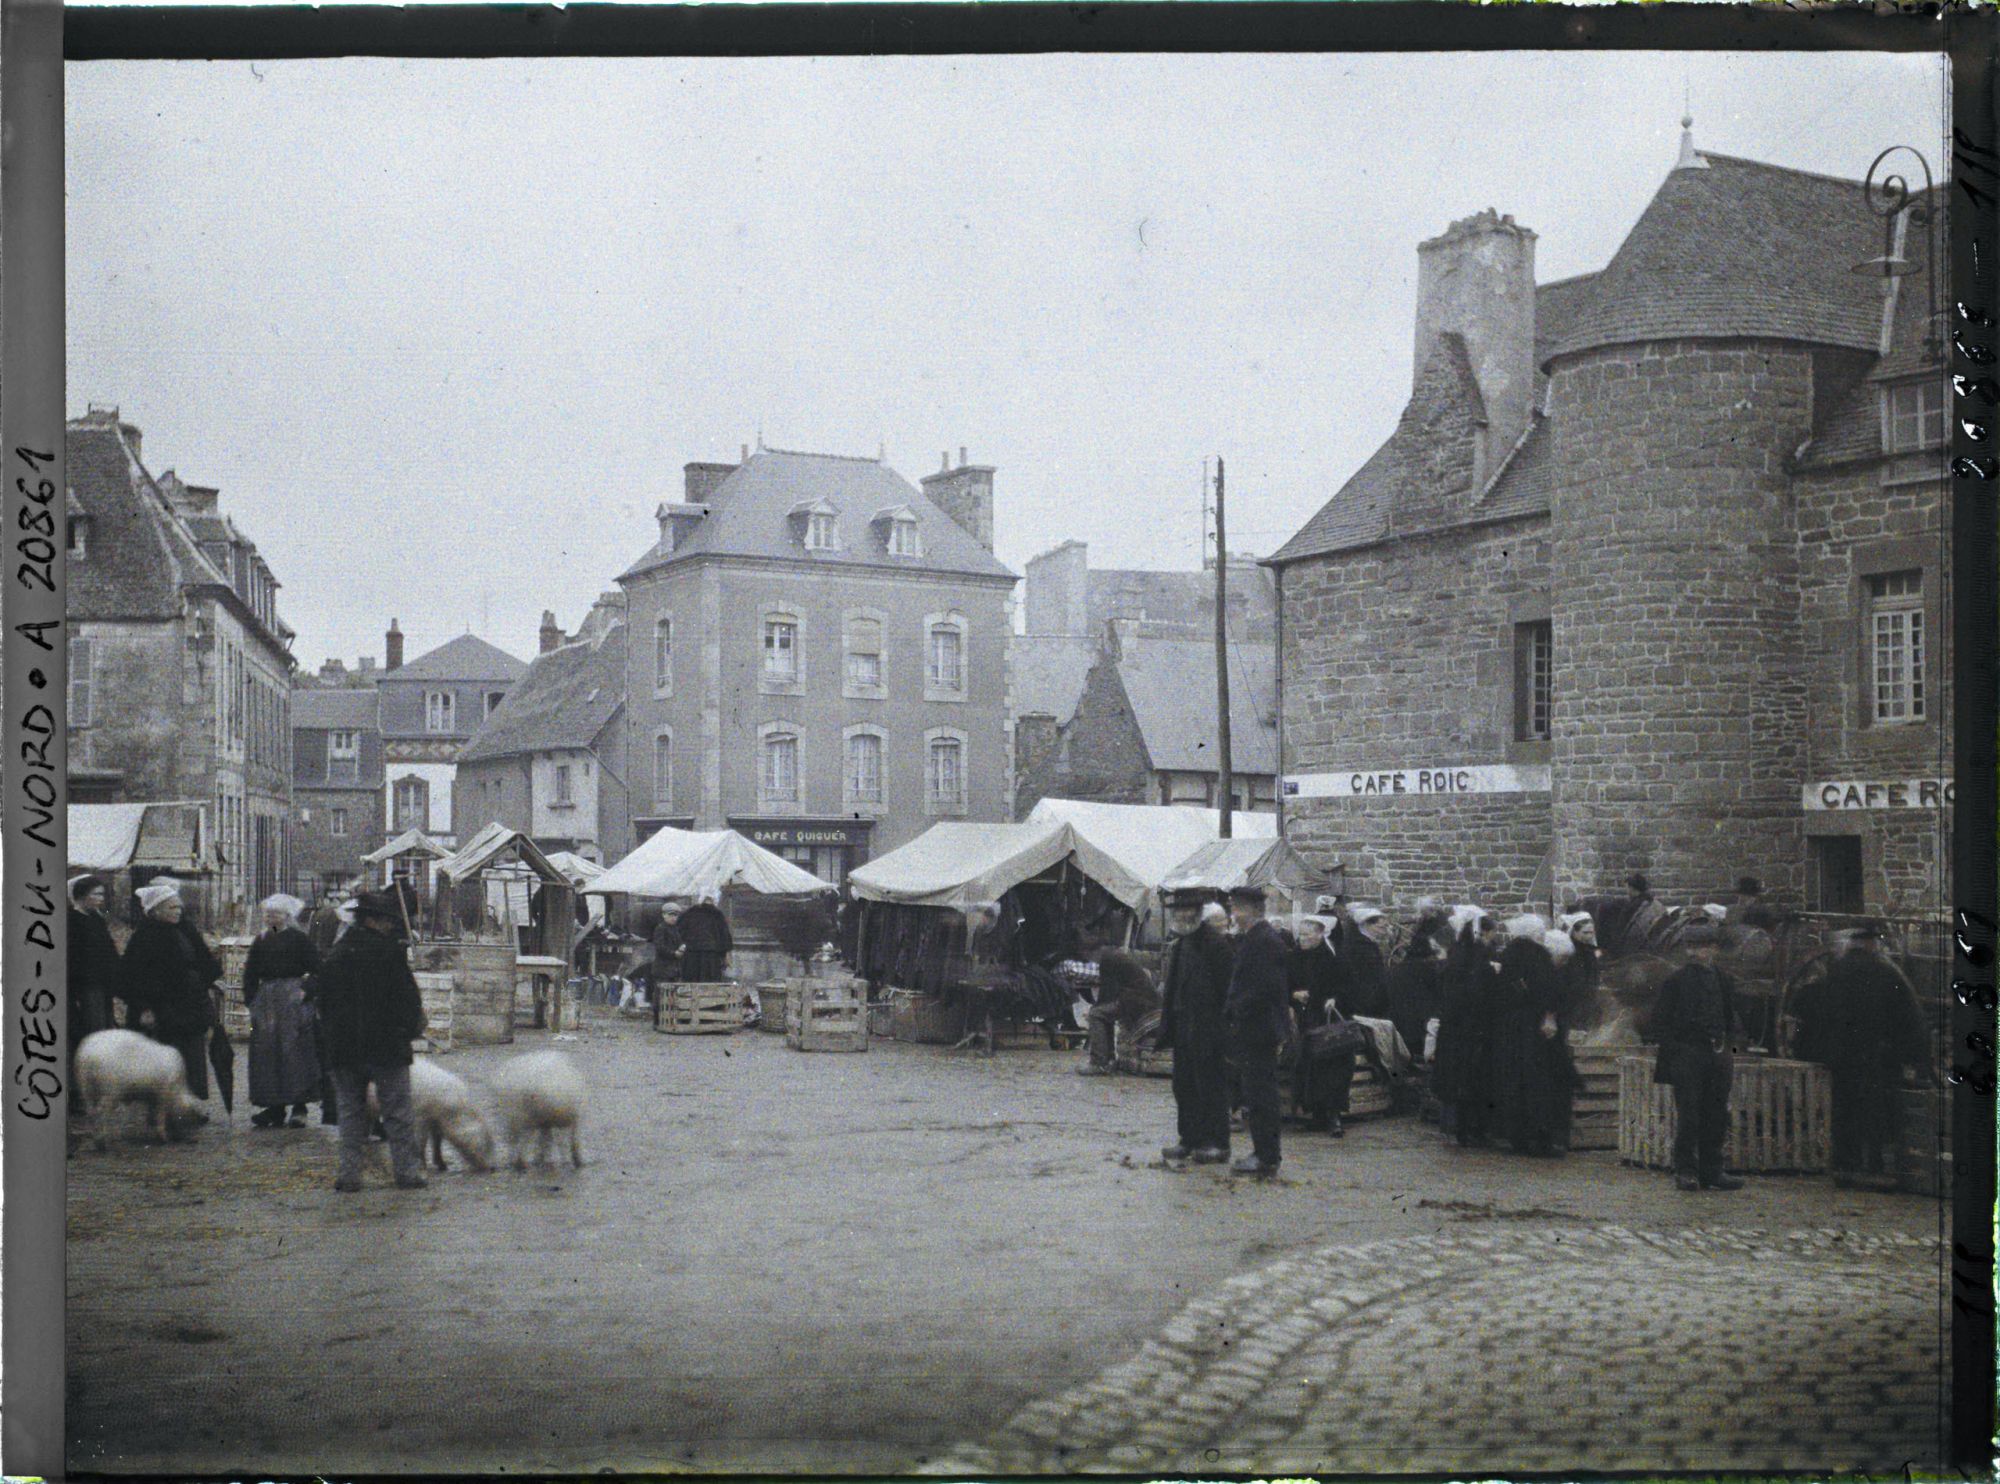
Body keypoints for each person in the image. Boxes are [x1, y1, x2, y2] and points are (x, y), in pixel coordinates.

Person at [1790, 925, 1933, 1188]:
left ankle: (1845, 1166)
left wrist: (1817, 1049)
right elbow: (1911, 1018)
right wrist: (1919, 1059)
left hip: (1843, 1056)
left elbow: (1807, 1008)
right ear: (1873, 944)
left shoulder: (1835, 972)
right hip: (1879, 1055)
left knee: (1844, 1109)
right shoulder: (1888, 972)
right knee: (1876, 1111)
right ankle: (1874, 1167)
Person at [315, 890, 429, 1192]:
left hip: (344, 1047)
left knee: (350, 1114)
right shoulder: (390, 953)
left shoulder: (336, 954)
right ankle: (406, 1173)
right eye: (387, 920)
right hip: (386, 1046)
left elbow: (322, 1001)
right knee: (397, 1113)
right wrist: (408, 1030)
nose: (392, 926)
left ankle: (349, 1175)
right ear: (374, 921)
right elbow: (409, 1001)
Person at [1646, 921, 1746, 1192]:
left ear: (1713, 949)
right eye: (1690, 946)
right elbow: (1658, 1023)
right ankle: (1686, 1170)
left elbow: (1729, 1016)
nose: (1693, 953)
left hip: (1717, 1053)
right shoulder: (1675, 981)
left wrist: (1728, 1045)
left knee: (1716, 1113)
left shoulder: (1723, 979)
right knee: (1689, 1114)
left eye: (1700, 947)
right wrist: (1678, 1050)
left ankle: (1712, 1171)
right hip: (1688, 1055)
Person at [119, 879, 222, 1102]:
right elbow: (133, 976)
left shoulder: (185, 928)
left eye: (178, 906)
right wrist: (144, 1007)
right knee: (166, 1057)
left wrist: (204, 979)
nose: (178, 911)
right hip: (163, 1008)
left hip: (190, 1004)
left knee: (192, 1055)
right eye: (172, 907)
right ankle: (165, 1107)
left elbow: (203, 960)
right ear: (155, 910)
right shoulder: (144, 936)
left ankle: (189, 1103)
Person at [1158, 893, 1235, 1164]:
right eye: (1178, 911)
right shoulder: (1181, 944)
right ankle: (1188, 1139)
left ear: (1198, 913)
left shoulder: (1216, 945)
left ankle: (1217, 1143)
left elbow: (1229, 992)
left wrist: (1223, 1030)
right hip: (1183, 1027)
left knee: (1211, 1086)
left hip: (1208, 1029)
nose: (1182, 916)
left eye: (1188, 911)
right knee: (1184, 1086)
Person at [1488, 931, 1573, 1157]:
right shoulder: (1541, 965)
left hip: (1515, 1034)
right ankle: (1542, 1137)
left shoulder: (1514, 963)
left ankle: (1519, 1137)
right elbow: (1552, 996)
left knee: (1517, 1085)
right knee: (1540, 1086)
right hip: (1536, 1037)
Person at [1223, 885, 1289, 1178]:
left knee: (1261, 1094)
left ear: (1251, 911)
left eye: (1235, 909)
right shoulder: (1257, 938)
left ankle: (1266, 1156)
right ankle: (1263, 1153)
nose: (1232, 915)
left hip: (1258, 1029)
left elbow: (1263, 989)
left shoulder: (1264, 941)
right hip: (1256, 1027)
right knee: (1257, 1092)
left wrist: (1237, 1012)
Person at [243, 893, 324, 1129]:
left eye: (276, 913)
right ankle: (275, 1107)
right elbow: (250, 973)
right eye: (268, 913)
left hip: (293, 1001)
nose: (271, 917)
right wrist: (252, 1000)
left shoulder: (300, 940)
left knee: (296, 1051)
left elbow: (319, 970)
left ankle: (300, 1107)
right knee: (267, 1053)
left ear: (287, 916)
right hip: (267, 1001)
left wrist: (305, 991)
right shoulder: (261, 940)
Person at [1433, 915, 1506, 1147]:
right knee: (1467, 1078)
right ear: (1483, 932)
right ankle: (1466, 1130)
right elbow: (1474, 992)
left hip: (1456, 1027)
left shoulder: (1458, 953)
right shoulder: (1474, 957)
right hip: (1468, 1027)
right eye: (1492, 932)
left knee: (1459, 1078)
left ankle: (1457, 1130)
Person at [1289, 916, 1354, 1134]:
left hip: (1328, 1022)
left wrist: (1334, 998)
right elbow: (1283, 984)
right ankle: (1315, 1113)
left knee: (1333, 1067)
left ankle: (1334, 1115)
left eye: (1308, 935)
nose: (1303, 939)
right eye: (1301, 934)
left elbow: (1346, 986)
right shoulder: (1293, 957)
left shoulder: (1332, 958)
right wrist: (1294, 994)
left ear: (1320, 935)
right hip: (1305, 1020)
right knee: (1310, 1067)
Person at [1080, 927, 1157, 1075]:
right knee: (1101, 1013)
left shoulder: (1108, 959)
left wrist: (1094, 1009)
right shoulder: (1113, 954)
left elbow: (1107, 991)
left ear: (1094, 951)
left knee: (1096, 1015)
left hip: (1138, 1001)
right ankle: (1107, 1059)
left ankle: (1099, 1062)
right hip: (1139, 998)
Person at [67, 875, 123, 1057]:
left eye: (102, 895)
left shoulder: (96, 919)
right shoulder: (72, 921)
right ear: (82, 896)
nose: (101, 899)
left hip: (103, 984)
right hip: (86, 987)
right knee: (93, 1030)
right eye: (96, 894)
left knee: (105, 1029)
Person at [677, 894, 733, 982]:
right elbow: (724, 936)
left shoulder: (688, 913)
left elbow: (679, 933)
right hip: (711, 956)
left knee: (691, 983)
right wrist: (726, 955)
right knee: (709, 983)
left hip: (691, 955)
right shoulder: (717, 914)